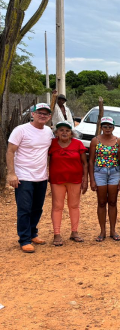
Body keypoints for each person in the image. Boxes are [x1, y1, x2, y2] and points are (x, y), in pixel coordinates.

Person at [7, 103, 54, 253]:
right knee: (24, 209)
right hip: (24, 176)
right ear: (32, 114)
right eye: (39, 112)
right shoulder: (20, 130)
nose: (42, 115)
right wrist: (11, 173)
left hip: (41, 176)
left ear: (49, 117)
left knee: (37, 208)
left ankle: (33, 233)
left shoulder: (48, 132)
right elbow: (10, 151)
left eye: (45, 114)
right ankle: (24, 239)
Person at [48, 121, 88, 246]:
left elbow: (85, 163)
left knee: (74, 206)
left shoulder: (78, 144)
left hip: (75, 179)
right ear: (56, 133)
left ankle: (74, 232)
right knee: (57, 206)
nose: (64, 132)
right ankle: (57, 234)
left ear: (71, 133)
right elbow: (46, 160)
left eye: (67, 130)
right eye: (61, 130)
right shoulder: (51, 144)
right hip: (57, 180)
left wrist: (85, 179)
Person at [89, 117, 120, 242]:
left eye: (110, 126)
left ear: (113, 127)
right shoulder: (95, 140)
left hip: (115, 172)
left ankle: (113, 230)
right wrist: (92, 179)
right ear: (101, 127)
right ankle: (102, 231)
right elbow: (91, 160)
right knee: (101, 202)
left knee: (113, 202)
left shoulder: (119, 141)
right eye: (105, 126)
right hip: (100, 172)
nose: (107, 128)